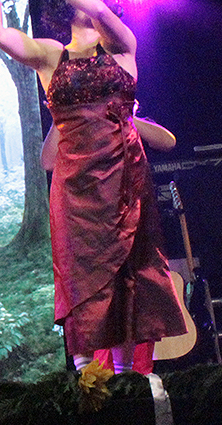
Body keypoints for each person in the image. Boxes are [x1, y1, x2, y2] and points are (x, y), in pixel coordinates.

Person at [0, 0, 184, 372]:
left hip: (124, 181)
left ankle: (126, 380)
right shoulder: (53, 56)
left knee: (127, 280)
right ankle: (87, 381)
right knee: (82, 280)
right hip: (74, 187)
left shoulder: (123, 49)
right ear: (65, 6)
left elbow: (100, 10)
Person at [42, 108, 181, 376]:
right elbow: (48, 161)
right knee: (88, 302)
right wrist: (61, 117)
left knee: (126, 297)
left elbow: (168, 141)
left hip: (125, 222)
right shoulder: (76, 125)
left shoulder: (126, 122)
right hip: (86, 225)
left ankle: (124, 378)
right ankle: (89, 380)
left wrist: (128, 117)